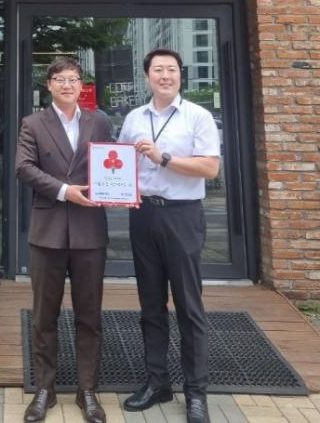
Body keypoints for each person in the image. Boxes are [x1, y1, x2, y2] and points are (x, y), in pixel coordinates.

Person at [118, 49, 220, 423]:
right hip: (143, 214)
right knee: (150, 304)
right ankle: (157, 382)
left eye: (172, 69)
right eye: (158, 69)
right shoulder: (134, 118)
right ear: (147, 76)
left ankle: (196, 393)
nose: (165, 75)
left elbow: (210, 168)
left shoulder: (198, 116)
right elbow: (121, 164)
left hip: (182, 215)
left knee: (189, 307)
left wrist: (164, 158)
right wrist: (115, 189)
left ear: (181, 75)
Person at [16, 57, 112, 423]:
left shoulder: (99, 121)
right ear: (49, 85)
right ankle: (45, 389)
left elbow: (111, 164)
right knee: (44, 315)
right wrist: (63, 190)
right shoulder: (33, 123)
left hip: (90, 230)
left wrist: (121, 188)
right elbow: (23, 167)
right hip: (48, 231)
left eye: (73, 79)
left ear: (81, 84)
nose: (67, 85)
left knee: (90, 315)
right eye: (60, 79)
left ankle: (88, 390)